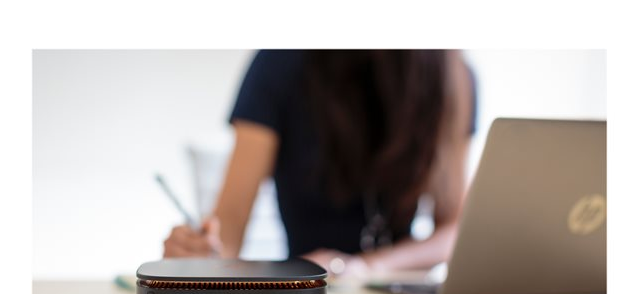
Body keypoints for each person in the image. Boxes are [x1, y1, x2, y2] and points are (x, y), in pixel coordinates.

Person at [163, 50, 477, 278]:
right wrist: (202, 253)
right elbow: (228, 231)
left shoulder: (450, 73)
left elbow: (454, 232)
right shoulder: (280, 63)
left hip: (397, 292)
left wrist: (370, 266)